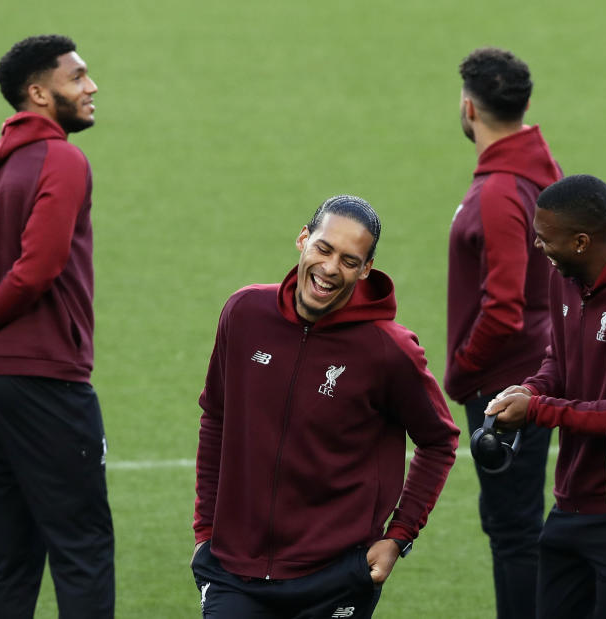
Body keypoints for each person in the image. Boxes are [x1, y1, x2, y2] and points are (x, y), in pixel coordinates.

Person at [192, 195, 460, 618]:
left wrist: (400, 536)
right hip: (233, 569)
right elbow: (216, 419)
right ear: (303, 239)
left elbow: (439, 441)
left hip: (335, 578)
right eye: (324, 248)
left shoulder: (389, 350)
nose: (331, 268)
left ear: (366, 269)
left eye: (350, 261)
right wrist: (206, 530)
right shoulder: (244, 313)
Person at [0, 35, 112, 618]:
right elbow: (40, 265)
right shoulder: (62, 159)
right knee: (82, 548)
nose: (91, 87)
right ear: (38, 92)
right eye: (77, 77)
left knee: (13, 559)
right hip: (46, 383)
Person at [484, 175, 606, 619]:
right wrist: (532, 387)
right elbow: (560, 360)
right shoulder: (567, 276)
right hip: (569, 505)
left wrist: (538, 409)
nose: (538, 247)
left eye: (544, 238)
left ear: (580, 241)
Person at [446, 46, 562, 619]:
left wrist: (463, 371)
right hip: (532, 370)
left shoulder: (497, 191)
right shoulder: (540, 174)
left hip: (502, 383)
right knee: (519, 524)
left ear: (469, 108)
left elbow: (505, 307)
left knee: (512, 530)